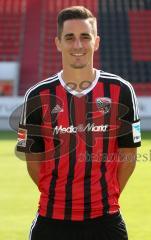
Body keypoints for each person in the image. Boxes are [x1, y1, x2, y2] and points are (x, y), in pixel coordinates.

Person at [16, 6, 141, 240]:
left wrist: (103, 198)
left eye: (85, 37)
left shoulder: (121, 91)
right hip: (51, 222)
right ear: (58, 43)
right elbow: (33, 161)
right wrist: (58, 197)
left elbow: (128, 157)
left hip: (106, 222)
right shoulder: (37, 96)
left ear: (96, 42)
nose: (78, 45)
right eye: (69, 38)